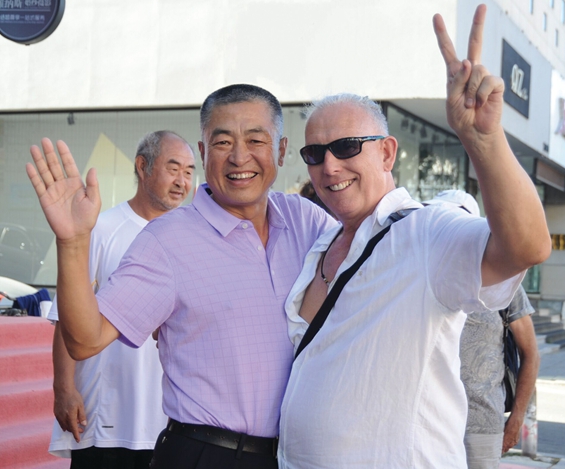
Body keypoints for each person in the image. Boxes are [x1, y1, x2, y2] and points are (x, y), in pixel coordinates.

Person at [277, 5, 551, 468]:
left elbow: (528, 247)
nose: (329, 166)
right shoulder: (320, 244)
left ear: (387, 153)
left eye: (346, 147)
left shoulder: (425, 233)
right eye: (315, 153)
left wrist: (483, 141)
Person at [26, 84, 337, 469]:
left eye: (256, 140)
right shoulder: (167, 239)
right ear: (204, 152)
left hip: (295, 455)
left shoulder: (308, 222)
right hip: (204, 454)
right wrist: (73, 242)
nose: (239, 157)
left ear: (282, 149)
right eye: (223, 142)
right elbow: (85, 339)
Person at [48, 130, 196, 469]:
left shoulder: (193, 238)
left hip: (171, 423)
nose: (182, 181)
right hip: (106, 420)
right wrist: (64, 389)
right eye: (173, 168)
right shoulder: (99, 229)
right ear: (142, 167)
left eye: (189, 171)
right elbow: (66, 320)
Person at [425, 190, 540, 468]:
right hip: (428, 420)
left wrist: (516, 418)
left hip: (480, 424)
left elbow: (531, 354)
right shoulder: (422, 276)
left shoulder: (504, 282)